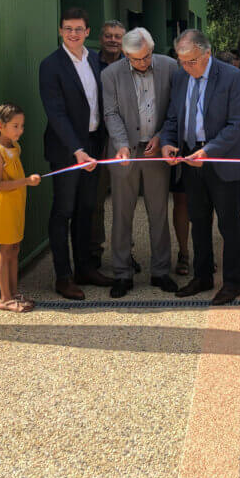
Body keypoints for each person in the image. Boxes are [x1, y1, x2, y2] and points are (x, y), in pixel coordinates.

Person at [161, 29, 240, 305]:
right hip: (189, 159)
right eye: (182, 61)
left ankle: (232, 283)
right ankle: (202, 276)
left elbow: (237, 124)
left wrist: (208, 151)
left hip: (221, 159)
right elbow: (172, 118)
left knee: (229, 224)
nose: (187, 67)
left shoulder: (231, 76)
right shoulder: (179, 77)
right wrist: (166, 142)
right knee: (198, 221)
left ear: (206, 53)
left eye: (191, 61)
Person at [39, 7, 115, 301]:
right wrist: (76, 150)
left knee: (87, 209)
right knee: (64, 211)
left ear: (87, 32)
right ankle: (63, 276)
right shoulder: (51, 65)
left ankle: (85, 268)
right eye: (67, 28)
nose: (73, 33)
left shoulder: (96, 60)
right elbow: (56, 113)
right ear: (60, 31)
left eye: (78, 29)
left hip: (95, 145)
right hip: (67, 149)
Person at [102, 27, 179, 298]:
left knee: (159, 213)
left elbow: (174, 108)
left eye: (147, 56)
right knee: (122, 214)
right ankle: (122, 273)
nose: (144, 63)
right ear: (125, 55)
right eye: (137, 59)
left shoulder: (170, 66)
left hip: (155, 150)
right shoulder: (110, 74)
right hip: (124, 151)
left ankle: (160, 271)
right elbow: (110, 113)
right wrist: (121, 144)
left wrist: (161, 137)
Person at [0, 104, 41, 312]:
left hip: (14, 208)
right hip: (2, 209)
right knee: (5, 251)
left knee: (14, 248)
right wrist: (26, 181)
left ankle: (13, 293)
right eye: (15, 126)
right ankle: (4, 298)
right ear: (0, 126)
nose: (20, 130)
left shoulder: (13, 147)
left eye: (22, 126)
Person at [91, 20, 127, 268]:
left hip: (126, 142)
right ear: (100, 38)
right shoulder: (90, 65)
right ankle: (95, 252)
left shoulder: (132, 64)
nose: (113, 40)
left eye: (117, 36)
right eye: (108, 36)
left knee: (125, 202)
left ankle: (125, 253)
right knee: (95, 201)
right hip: (98, 142)